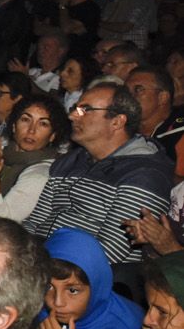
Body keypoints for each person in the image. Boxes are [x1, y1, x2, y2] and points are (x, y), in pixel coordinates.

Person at [23, 83, 173, 267]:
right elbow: (35, 222)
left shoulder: (144, 174)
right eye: (75, 109)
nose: (72, 116)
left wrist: (36, 266)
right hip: (41, 260)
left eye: (85, 110)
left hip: (84, 274)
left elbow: (109, 252)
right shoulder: (71, 160)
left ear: (117, 121)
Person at [0, 94, 67, 222]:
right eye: (25, 120)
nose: (31, 130)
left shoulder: (40, 173)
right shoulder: (1, 155)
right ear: (13, 126)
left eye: (43, 124)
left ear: (52, 136)